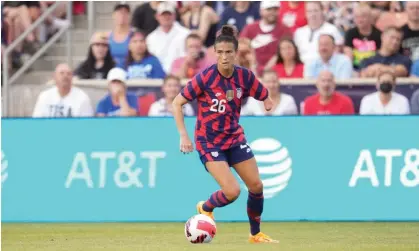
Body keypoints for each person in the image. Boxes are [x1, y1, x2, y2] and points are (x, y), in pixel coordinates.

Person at [172, 25, 278, 243]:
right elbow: (177, 102)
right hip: (209, 142)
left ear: (235, 53)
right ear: (214, 53)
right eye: (219, 52)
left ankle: (255, 234)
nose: (224, 57)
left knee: (257, 186)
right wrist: (183, 135)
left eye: (228, 52)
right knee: (232, 191)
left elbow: (262, 92)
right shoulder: (205, 78)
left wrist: (267, 101)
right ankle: (206, 206)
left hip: (234, 138)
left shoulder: (244, 76)